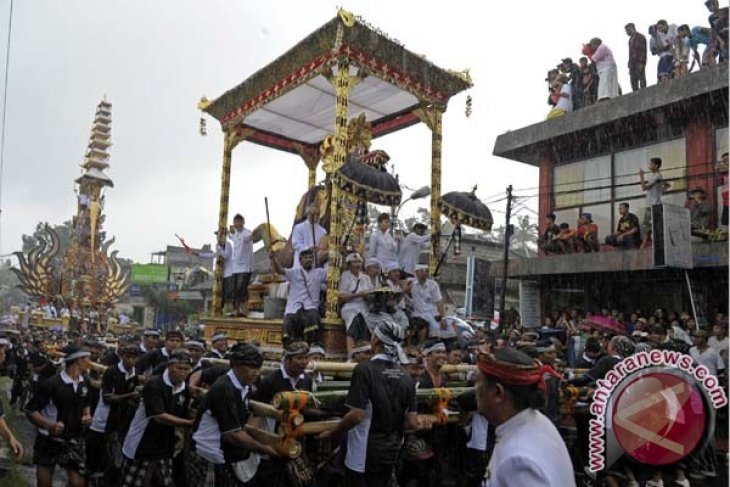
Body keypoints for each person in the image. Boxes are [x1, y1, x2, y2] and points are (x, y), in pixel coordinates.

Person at [318, 320, 422, 486]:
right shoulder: (406, 376)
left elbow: (356, 415)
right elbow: (412, 422)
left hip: (363, 454)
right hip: (391, 452)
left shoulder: (364, 370)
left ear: (375, 341)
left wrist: (334, 432)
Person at [475, 348, 575, 487]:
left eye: (478, 382)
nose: (475, 389)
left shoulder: (519, 460)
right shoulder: (534, 422)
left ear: (498, 393)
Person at [190, 344, 279, 486]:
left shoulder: (244, 386)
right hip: (206, 453)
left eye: (258, 368)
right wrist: (264, 448)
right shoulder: (224, 388)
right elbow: (233, 435)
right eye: (251, 367)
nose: (256, 372)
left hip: (222, 455)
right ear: (235, 365)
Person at [121, 351, 194, 487]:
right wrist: (190, 423)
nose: (183, 373)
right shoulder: (155, 384)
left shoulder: (184, 389)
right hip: (142, 443)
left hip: (164, 445)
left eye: (186, 369)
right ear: (169, 366)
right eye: (179, 368)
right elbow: (159, 417)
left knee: (162, 481)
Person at [26, 345, 93, 487]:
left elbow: (86, 402)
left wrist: (87, 414)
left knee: (78, 482)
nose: (90, 362)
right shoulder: (52, 384)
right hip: (49, 438)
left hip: (74, 438)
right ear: (77, 360)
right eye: (87, 358)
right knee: (45, 480)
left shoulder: (85, 382)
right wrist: (49, 425)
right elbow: (31, 411)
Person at [253, 341, 314, 487]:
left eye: (306, 358)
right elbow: (256, 411)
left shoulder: (307, 381)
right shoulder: (270, 381)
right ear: (287, 360)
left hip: (298, 439)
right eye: (299, 358)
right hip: (275, 441)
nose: (304, 362)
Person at [271, 247, 327, 345]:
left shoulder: (319, 273)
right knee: (289, 322)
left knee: (313, 318)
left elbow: (334, 275)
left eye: (310, 258)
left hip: (310, 307)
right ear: (300, 261)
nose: (309, 260)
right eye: (306, 258)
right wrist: (273, 258)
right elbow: (279, 271)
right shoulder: (294, 272)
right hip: (294, 306)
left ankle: (308, 346)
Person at [339, 253, 373, 354]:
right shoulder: (345, 276)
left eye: (359, 262)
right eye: (354, 262)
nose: (357, 264)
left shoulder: (366, 278)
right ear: (349, 264)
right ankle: (350, 353)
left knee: (371, 323)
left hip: (364, 306)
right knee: (353, 322)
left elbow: (371, 294)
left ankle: (368, 352)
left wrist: (368, 296)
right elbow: (341, 296)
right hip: (350, 306)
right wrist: (358, 295)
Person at [409, 264, 450, 343]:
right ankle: (422, 346)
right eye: (422, 271)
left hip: (433, 313)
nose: (424, 273)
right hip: (418, 314)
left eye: (426, 271)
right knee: (423, 324)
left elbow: (439, 302)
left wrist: (443, 318)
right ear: (416, 272)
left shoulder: (433, 285)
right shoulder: (411, 285)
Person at [227, 214, 254, 317]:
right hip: (235, 267)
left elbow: (251, 237)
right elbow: (230, 235)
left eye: (239, 222)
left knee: (241, 288)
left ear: (243, 222)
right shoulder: (235, 234)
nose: (237, 224)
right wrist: (224, 231)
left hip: (245, 267)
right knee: (234, 289)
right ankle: (235, 310)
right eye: (235, 222)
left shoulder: (247, 233)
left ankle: (244, 309)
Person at [639, 156, 670, 248]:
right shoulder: (657, 176)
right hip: (655, 203)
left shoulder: (657, 176)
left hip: (653, 205)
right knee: (652, 225)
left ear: (656, 165)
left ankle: (645, 245)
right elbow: (667, 185)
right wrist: (660, 191)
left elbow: (644, 188)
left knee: (648, 226)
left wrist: (641, 176)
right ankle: (650, 244)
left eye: (651, 164)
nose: (650, 166)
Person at [292, 203, 328, 268]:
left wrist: (320, 250)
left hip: (314, 266)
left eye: (317, 214)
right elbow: (296, 244)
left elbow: (323, 247)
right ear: (307, 214)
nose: (315, 216)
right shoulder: (298, 228)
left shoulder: (323, 231)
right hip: (300, 265)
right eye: (313, 214)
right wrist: (308, 248)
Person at [625, 23, 647, 91]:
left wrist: (642, 62)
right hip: (632, 63)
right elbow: (630, 52)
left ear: (633, 28)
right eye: (626, 31)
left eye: (629, 30)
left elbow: (643, 51)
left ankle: (644, 92)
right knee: (633, 80)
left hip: (639, 61)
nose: (627, 32)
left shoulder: (640, 37)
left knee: (641, 79)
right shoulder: (630, 40)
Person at [717, 151, 728, 227]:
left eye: (726, 160)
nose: (725, 162)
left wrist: (721, 164)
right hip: (726, 200)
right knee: (725, 221)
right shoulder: (724, 174)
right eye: (724, 160)